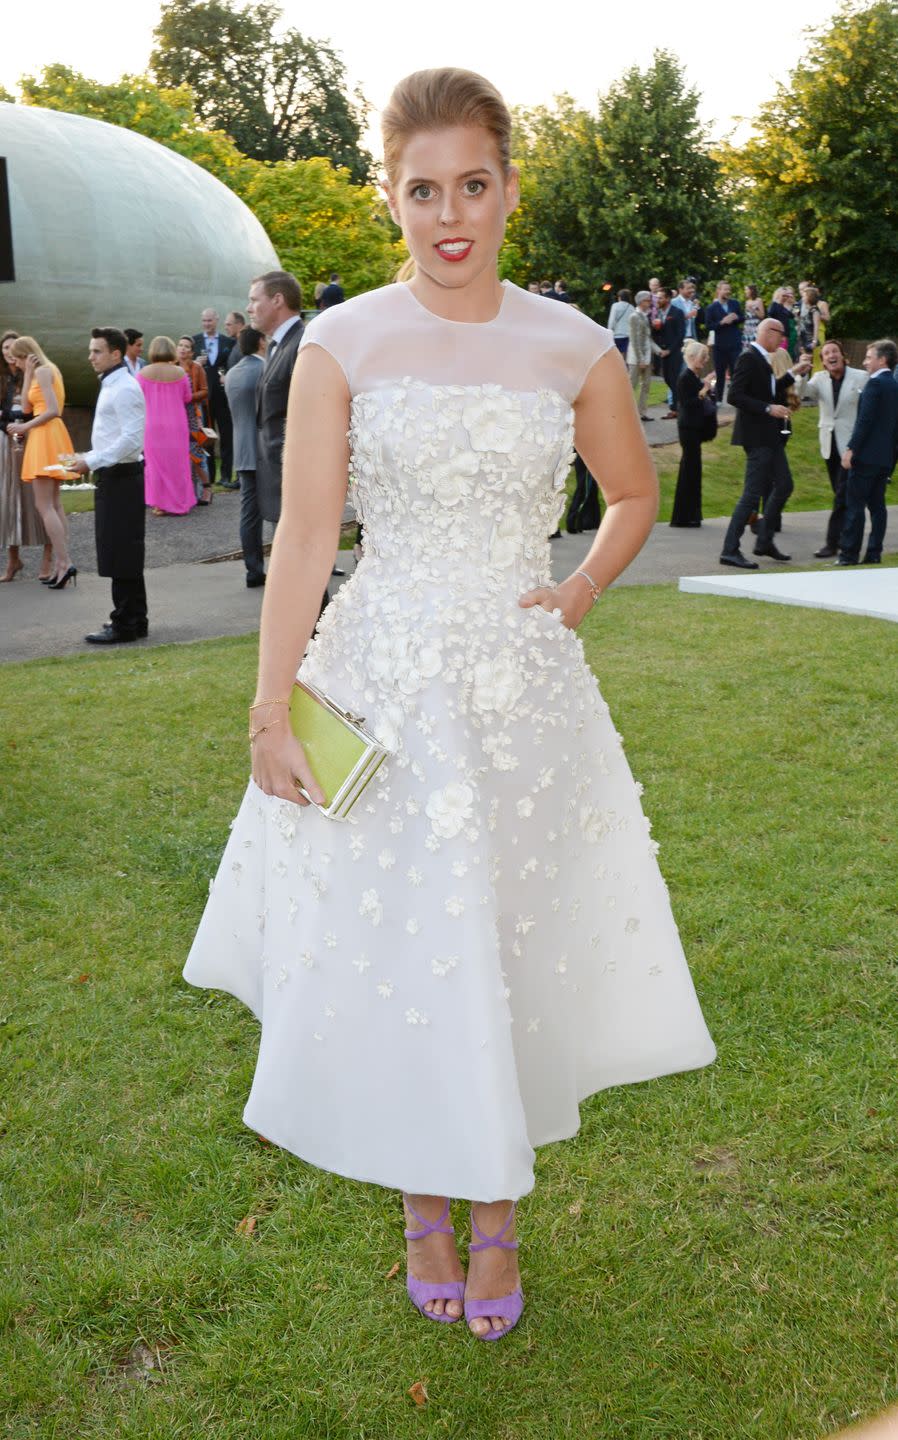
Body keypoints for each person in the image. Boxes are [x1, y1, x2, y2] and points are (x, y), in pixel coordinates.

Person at [183, 66, 715, 1344]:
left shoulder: (570, 344)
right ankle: (432, 1205)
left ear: (508, 187)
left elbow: (633, 492)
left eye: (472, 184)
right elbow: (308, 536)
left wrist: (577, 587)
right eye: (423, 190)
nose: (450, 213)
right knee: (403, 942)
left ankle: (499, 1220)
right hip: (377, 684)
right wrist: (271, 706)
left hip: (519, 695)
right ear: (393, 198)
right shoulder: (344, 341)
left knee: (503, 938)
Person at [67, 327, 148, 643]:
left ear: (116, 353)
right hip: (114, 477)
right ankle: (133, 619)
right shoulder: (111, 384)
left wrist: (92, 460)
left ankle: (126, 623)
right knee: (119, 551)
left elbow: (131, 440)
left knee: (122, 551)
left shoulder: (125, 387)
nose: (90, 357)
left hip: (123, 479)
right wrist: (88, 456)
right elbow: (113, 436)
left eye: (96, 351)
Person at [719, 318, 809, 569]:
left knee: (784, 485)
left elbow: (769, 391)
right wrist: (768, 408)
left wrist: (793, 373)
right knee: (751, 495)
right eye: (781, 336)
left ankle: (764, 540)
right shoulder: (749, 358)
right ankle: (730, 549)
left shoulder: (763, 360)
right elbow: (734, 395)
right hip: (757, 437)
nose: (782, 342)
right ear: (769, 333)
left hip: (769, 437)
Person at [6, 335, 76, 588]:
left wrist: (25, 426)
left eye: (17, 358)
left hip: (46, 434)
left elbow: (53, 409)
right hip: (47, 434)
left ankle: (64, 562)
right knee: (54, 504)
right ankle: (62, 563)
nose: (16, 363)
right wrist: (27, 376)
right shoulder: (40, 371)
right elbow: (26, 405)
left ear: (25, 354)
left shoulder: (45, 371)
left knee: (45, 505)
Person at [795, 340, 867, 558]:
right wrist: (802, 373)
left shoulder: (860, 377)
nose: (831, 355)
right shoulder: (819, 379)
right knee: (841, 493)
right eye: (826, 354)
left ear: (843, 355)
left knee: (843, 495)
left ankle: (833, 542)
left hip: (851, 445)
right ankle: (847, 540)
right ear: (823, 361)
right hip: (829, 444)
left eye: (834, 351)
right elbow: (801, 393)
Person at [247, 269, 305, 523]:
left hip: (293, 482)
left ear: (277, 300)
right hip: (275, 480)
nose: (249, 308)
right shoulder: (277, 346)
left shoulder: (302, 344)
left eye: (254, 300)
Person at [836, 339, 898, 566]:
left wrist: (851, 448)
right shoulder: (894, 385)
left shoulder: (874, 385)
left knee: (855, 505)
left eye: (869, 357)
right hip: (885, 457)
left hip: (866, 456)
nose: (865, 361)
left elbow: (865, 420)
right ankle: (874, 552)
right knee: (878, 506)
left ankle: (849, 554)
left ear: (882, 359)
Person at [0, 330, 51, 581]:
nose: (8, 352)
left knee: (40, 496)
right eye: (5, 348)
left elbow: (37, 408)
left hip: (32, 436)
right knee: (9, 498)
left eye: (12, 347)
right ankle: (13, 560)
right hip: (7, 440)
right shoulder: (2, 378)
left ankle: (48, 556)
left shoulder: (36, 372)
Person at [224, 325, 267, 587]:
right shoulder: (265, 370)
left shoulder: (231, 374)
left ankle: (253, 569)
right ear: (261, 342)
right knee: (277, 511)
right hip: (266, 449)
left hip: (242, 449)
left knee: (249, 514)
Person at [137, 337, 196, 517]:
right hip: (176, 424)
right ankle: (180, 503)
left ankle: (159, 504)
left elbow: (137, 400)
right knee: (178, 464)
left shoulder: (142, 373)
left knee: (155, 466)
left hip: (152, 425)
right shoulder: (180, 373)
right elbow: (187, 397)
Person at [671, 340, 715, 527]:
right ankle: (683, 516)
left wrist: (704, 387)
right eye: (702, 357)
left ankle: (691, 514)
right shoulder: (685, 378)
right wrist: (704, 390)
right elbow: (687, 404)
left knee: (693, 471)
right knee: (689, 470)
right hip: (688, 429)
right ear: (691, 357)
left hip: (693, 429)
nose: (705, 361)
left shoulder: (693, 377)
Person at [192, 308, 236, 488]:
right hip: (203, 398)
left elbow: (232, 365)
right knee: (206, 437)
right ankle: (208, 476)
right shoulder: (194, 341)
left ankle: (225, 475)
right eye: (204, 321)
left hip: (223, 397)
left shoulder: (228, 342)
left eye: (210, 320)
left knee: (226, 436)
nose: (207, 324)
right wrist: (196, 363)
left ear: (216, 320)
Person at [176, 336, 211, 504]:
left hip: (193, 414)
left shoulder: (197, 368)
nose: (182, 349)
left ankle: (206, 489)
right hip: (175, 415)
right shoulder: (171, 367)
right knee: (180, 454)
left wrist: (189, 397)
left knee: (196, 454)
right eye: (180, 345)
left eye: (186, 347)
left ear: (192, 351)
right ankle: (189, 493)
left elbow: (205, 391)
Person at [704, 281, 744, 402]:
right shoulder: (712, 308)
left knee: (736, 372)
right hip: (720, 345)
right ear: (718, 291)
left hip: (735, 343)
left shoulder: (735, 303)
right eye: (725, 289)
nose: (728, 291)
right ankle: (718, 399)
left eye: (729, 289)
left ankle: (736, 398)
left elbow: (742, 317)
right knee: (720, 374)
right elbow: (708, 326)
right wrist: (722, 322)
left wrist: (737, 318)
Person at [628, 291, 662, 420]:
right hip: (636, 359)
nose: (650, 302)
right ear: (641, 301)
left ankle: (642, 412)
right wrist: (641, 359)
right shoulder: (634, 316)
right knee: (632, 386)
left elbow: (648, 338)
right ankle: (628, 413)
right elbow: (635, 339)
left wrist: (658, 351)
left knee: (646, 385)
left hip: (647, 357)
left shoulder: (645, 316)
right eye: (648, 300)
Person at [655, 287, 685, 418]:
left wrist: (670, 350)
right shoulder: (658, 313)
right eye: (657, 297)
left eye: (660, 297)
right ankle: (678, 407)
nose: (658, 300)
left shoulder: (677, 312)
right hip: (662, 351)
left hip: (674, 352)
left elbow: (680, 335)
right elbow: (658, 333)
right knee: (667, 379)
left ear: (668, 298)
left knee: (674, 380)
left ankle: (676, 409)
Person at [607, 289, 635, 358]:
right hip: (627, 335)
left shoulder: (615, 306)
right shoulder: (632, 307)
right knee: (625, 356)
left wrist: (609, 332)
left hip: (617, 335)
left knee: (617, 356)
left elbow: (612, 321)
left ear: (620, 297)